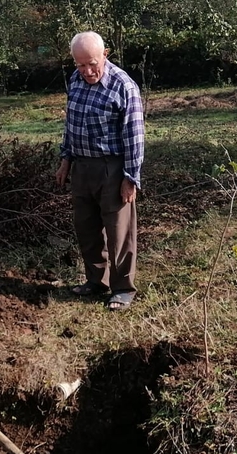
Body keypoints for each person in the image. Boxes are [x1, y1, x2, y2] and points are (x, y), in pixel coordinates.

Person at [55, 31, 145, 311]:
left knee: (119, 231)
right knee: (87, 228)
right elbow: (72, 124)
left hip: (113, 167)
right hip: (82, 166)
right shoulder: (75, 81)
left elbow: (134, 136)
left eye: (92, 63)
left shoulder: (123, 86)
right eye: (80, 65)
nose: (87, 71)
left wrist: (131, 177)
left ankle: (123, 289)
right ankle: (96, 281)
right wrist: (66, 160)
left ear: (105, 55)